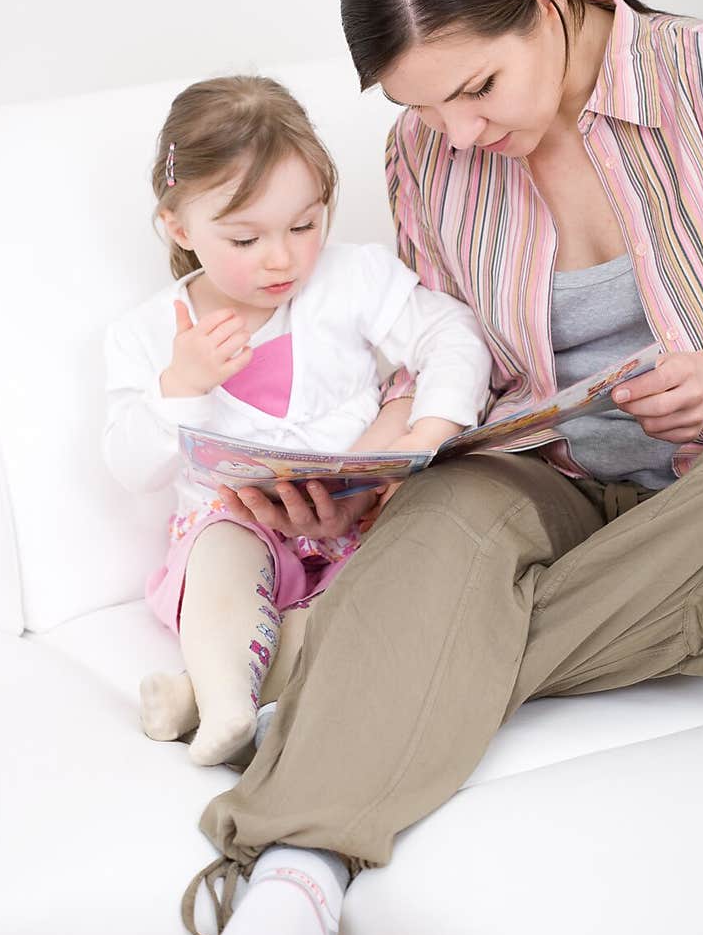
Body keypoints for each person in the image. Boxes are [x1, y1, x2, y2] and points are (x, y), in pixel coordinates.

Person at [169, 0, 703, 935]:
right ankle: (293, 884)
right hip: (546, 476)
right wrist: (371, 471)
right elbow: (448, 356)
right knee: (444, 517)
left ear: (549, 3)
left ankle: (360, 665)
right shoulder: (425, 154)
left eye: (477, 89)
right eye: (424, 108)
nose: (458, 132)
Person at [103, 73, 492, 777]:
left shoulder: (352, 281)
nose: (281, 257)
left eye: (305, 225)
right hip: (238, 531)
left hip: (353, 531)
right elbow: (130, 468)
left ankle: (209, 694)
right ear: (179, 226)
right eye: (245, 238)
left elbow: (453, 333)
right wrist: (181, 387)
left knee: (385, 610)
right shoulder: (148, 334)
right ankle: (226, 706)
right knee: (223, 554)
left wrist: (427, 428)